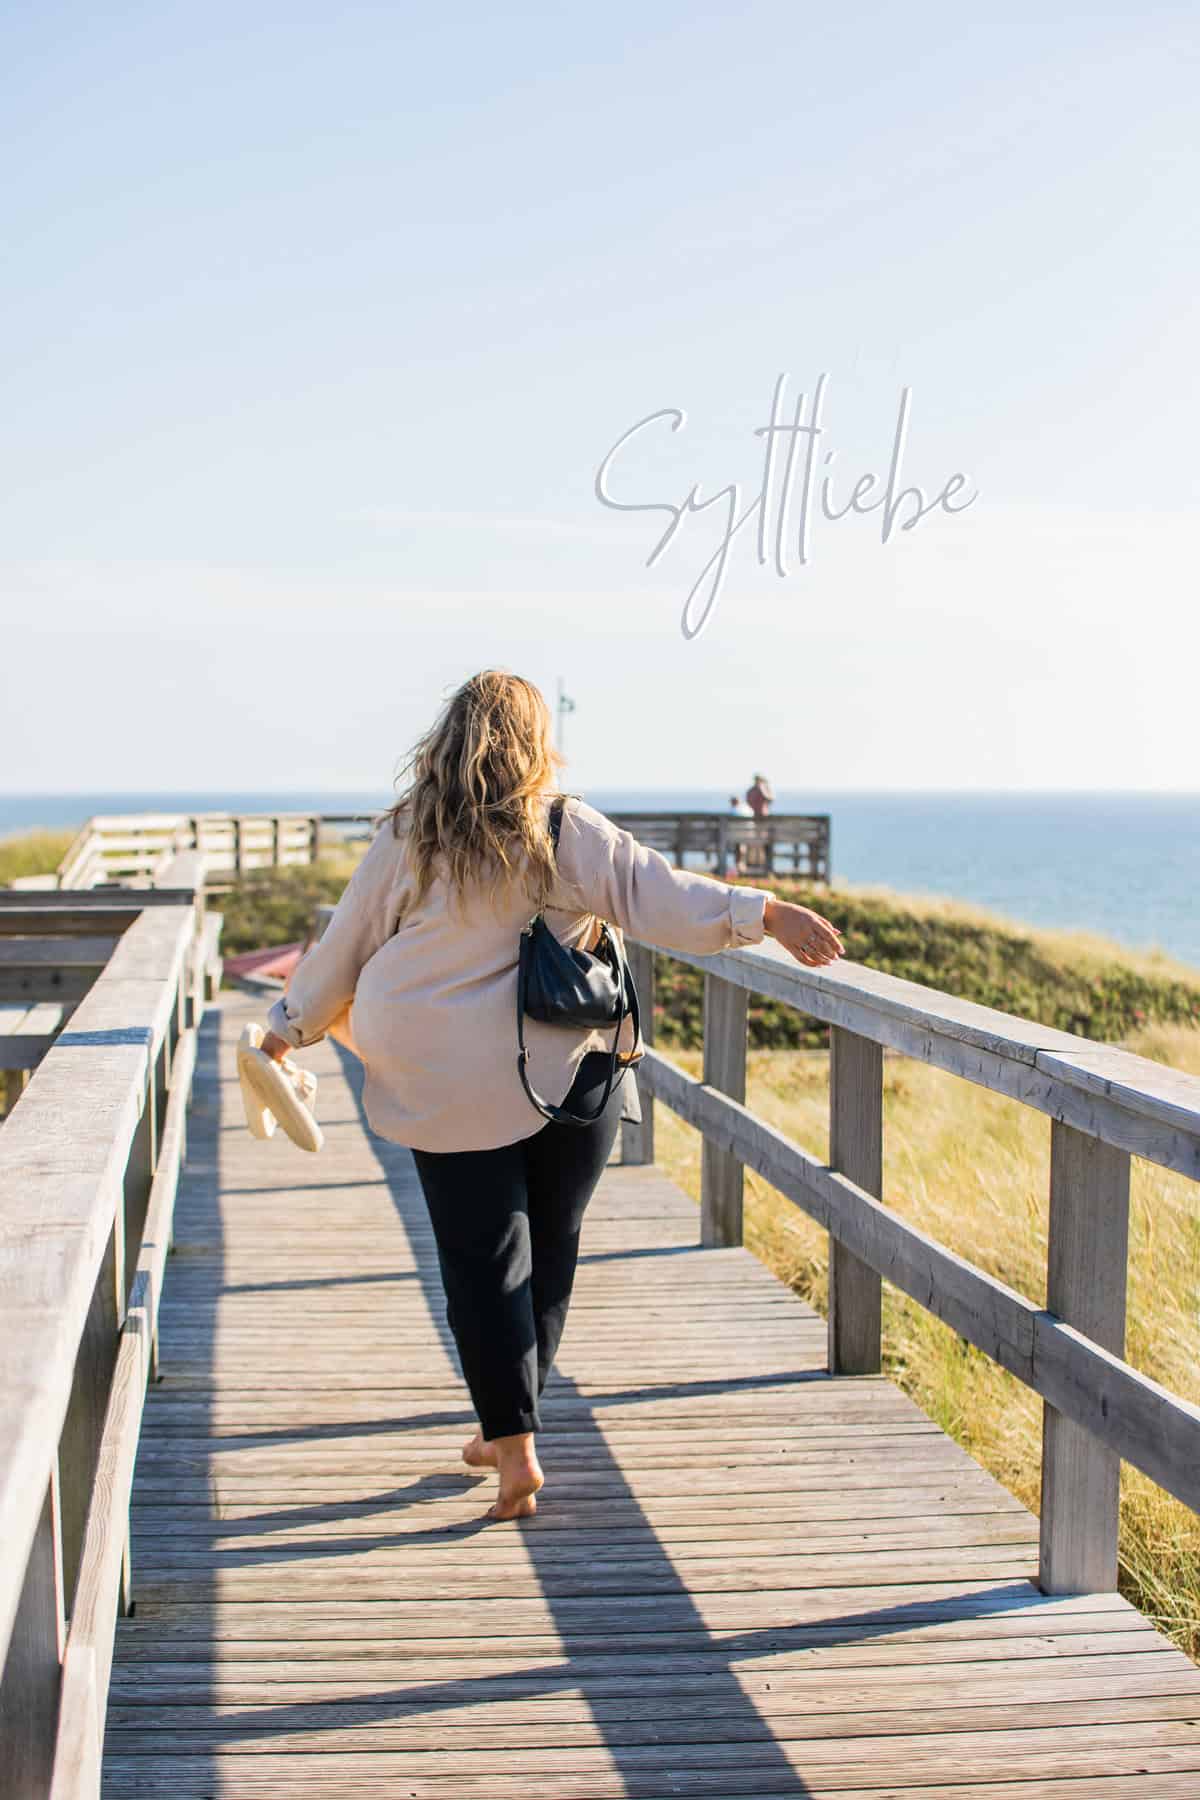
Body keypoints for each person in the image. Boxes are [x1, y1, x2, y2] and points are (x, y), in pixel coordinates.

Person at [255, 672, 844, 1521]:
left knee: (482, 1259)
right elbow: (662, 897)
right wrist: (769, 912)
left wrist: (282, 1031)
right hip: (575, 1079)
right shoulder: (564, 829)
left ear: (448, 740)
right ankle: (508, 1428)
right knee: (550, 1253)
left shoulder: (409, 838)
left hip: (445, 1081)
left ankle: (513, 1444)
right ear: (536, 743)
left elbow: (342, 949)